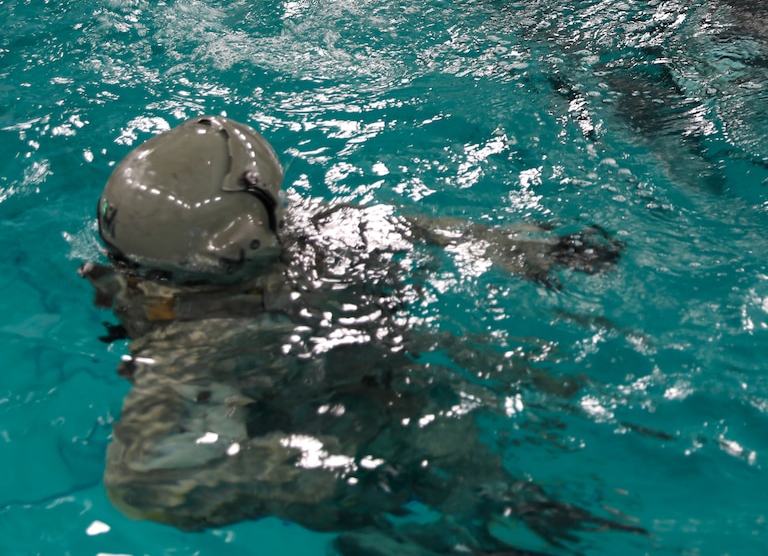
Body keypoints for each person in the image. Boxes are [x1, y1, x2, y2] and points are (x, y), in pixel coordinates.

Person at [82, 115, 638, 553]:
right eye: (279, 207)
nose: (295, 210)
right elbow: (140, 482)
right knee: (431, 443)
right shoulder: (198, 344)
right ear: (241, 246)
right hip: (316, 420)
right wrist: (316, 463)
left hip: (359, 371)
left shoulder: (237, 247)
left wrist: (511, 246)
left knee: (462, 438)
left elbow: (397, 224)